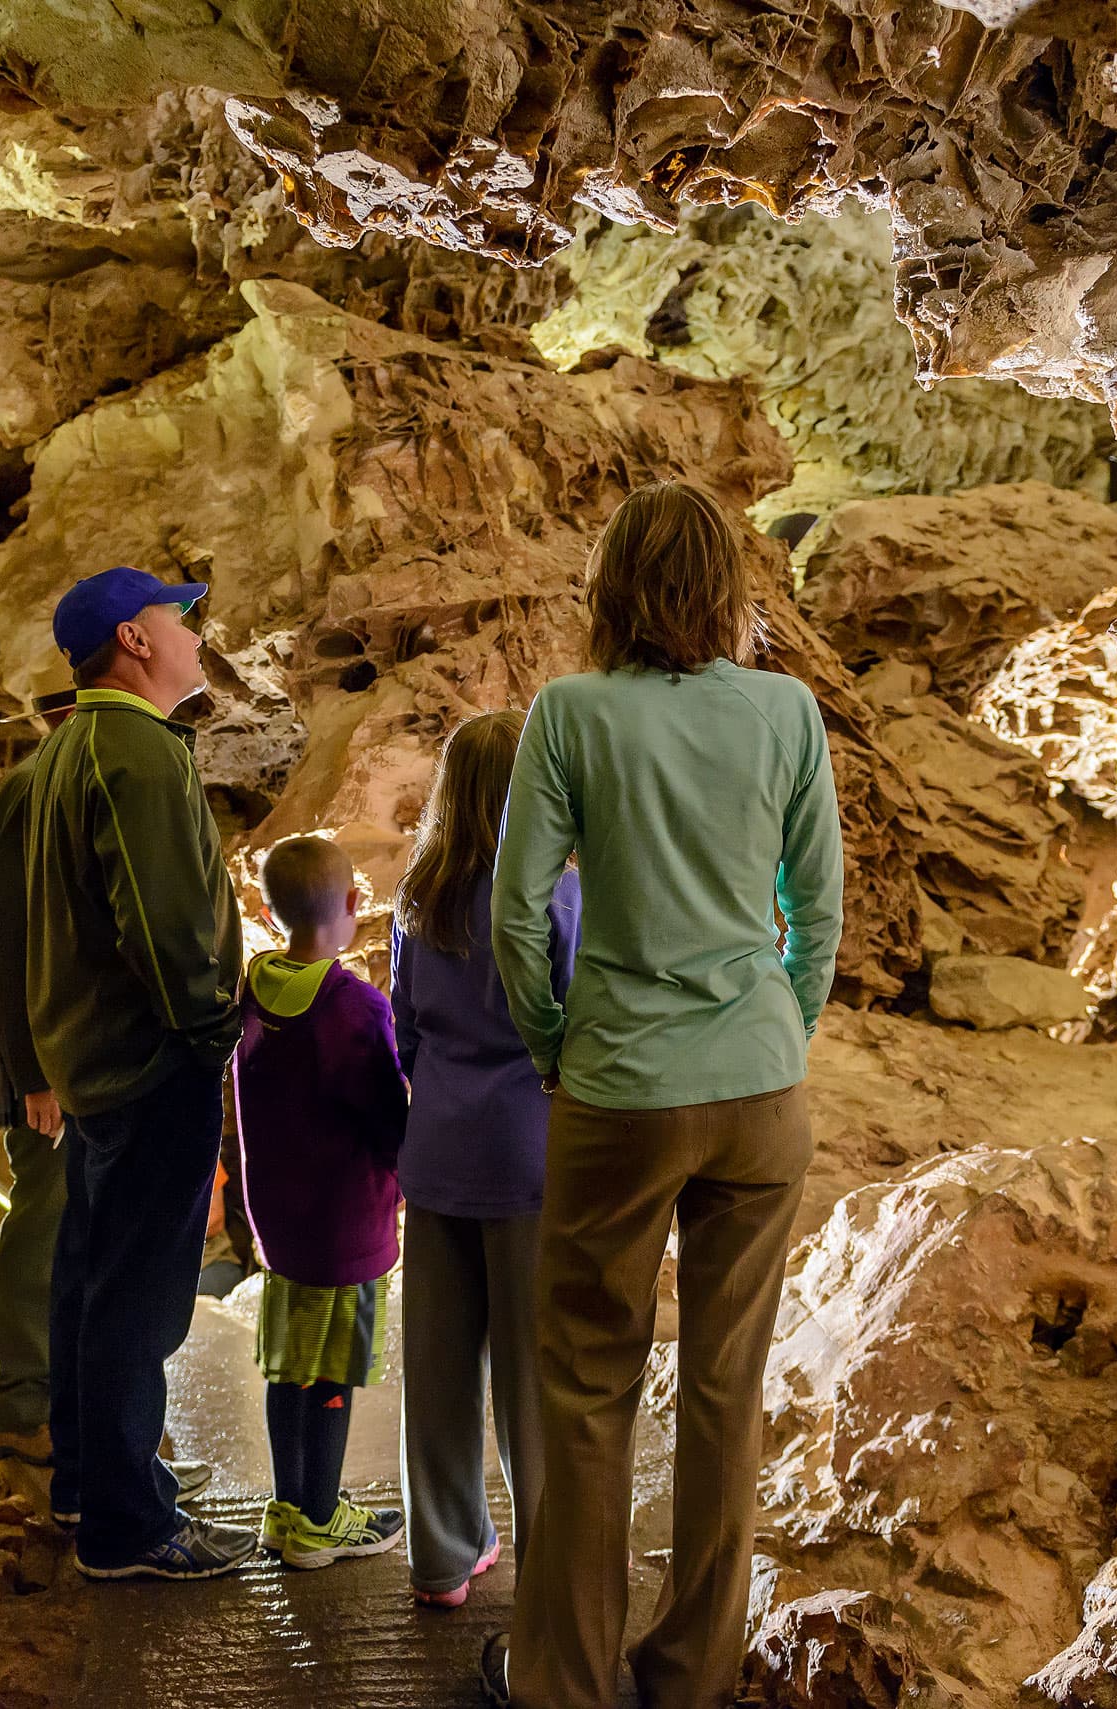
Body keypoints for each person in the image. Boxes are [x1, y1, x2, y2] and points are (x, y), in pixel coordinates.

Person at [481, 482, 844, 1708]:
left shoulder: (571, 714)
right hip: (758, 1090)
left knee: (587, 1386)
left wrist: (552, 1042)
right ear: (727, 589)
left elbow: (516, 908)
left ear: (612, 588)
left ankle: (566, 1682)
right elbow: (818, 904)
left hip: (621, 1087)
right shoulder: (788, 711)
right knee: (727, 1384)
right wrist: (780, 1024)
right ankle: (691, 1671)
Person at [25, 565, 256, 1580]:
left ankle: (88, 1480)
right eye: (180, 614)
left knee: (92, 1272)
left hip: (94, 1056)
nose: (195, 629)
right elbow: (163, 925)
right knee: (139, 1296)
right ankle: (129, 1525)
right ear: (133, 637)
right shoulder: (132, 748)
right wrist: (213, 1030)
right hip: (150, 1059)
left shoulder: (73, 745)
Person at [391, 711, 580, 1609]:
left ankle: (441, 1557)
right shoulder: (557, 893)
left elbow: (404, 1027)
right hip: (529, 1155)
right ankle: (551, 1564)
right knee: (533, 1378)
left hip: (434, 1152)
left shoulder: (415, 897)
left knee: (436, 1370)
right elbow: (579, 1020)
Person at [232, 836, 411, 1568]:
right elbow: (388, 1121)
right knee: (333, 1369)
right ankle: (317, 1517)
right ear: (352, 907)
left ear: (270, 912)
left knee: (290, 1364)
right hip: (345, 1228)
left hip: (280, 1224)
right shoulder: (355, 1009)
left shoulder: (252, 989)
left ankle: (287, 1504)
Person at [0, 687, 76, 1465]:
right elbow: (7, 938)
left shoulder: (45, 784)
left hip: (55, 1053)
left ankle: (61, 1402)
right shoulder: (38, 788)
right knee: (48, 1211)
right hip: (48, 1060)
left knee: (64, 1216)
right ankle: (24, 1402)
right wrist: (35, 1069)